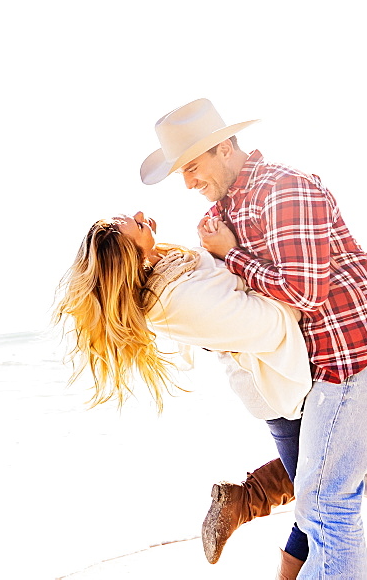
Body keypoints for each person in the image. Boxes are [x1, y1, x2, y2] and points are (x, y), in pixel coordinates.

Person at [140, 98, 367, 579]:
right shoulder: (228, 210)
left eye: (192, 167)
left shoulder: (281, 188)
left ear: (225, 146)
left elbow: (304, 291)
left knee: (323, 500)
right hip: (350, 359)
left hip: (357, 353)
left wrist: (232, 254)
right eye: (182, 174)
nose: (189, 182)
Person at [54, 211, 311, 578]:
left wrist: (219, 248)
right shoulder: (174, 299)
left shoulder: (173, 264)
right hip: (280, 387)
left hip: (286, 376)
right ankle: (247, 501)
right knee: (319, 495)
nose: (143, 215)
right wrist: (235, 253)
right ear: (130, 253)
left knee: (324, 482)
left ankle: (245, 499)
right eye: (137, 225)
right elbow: (269, 325)